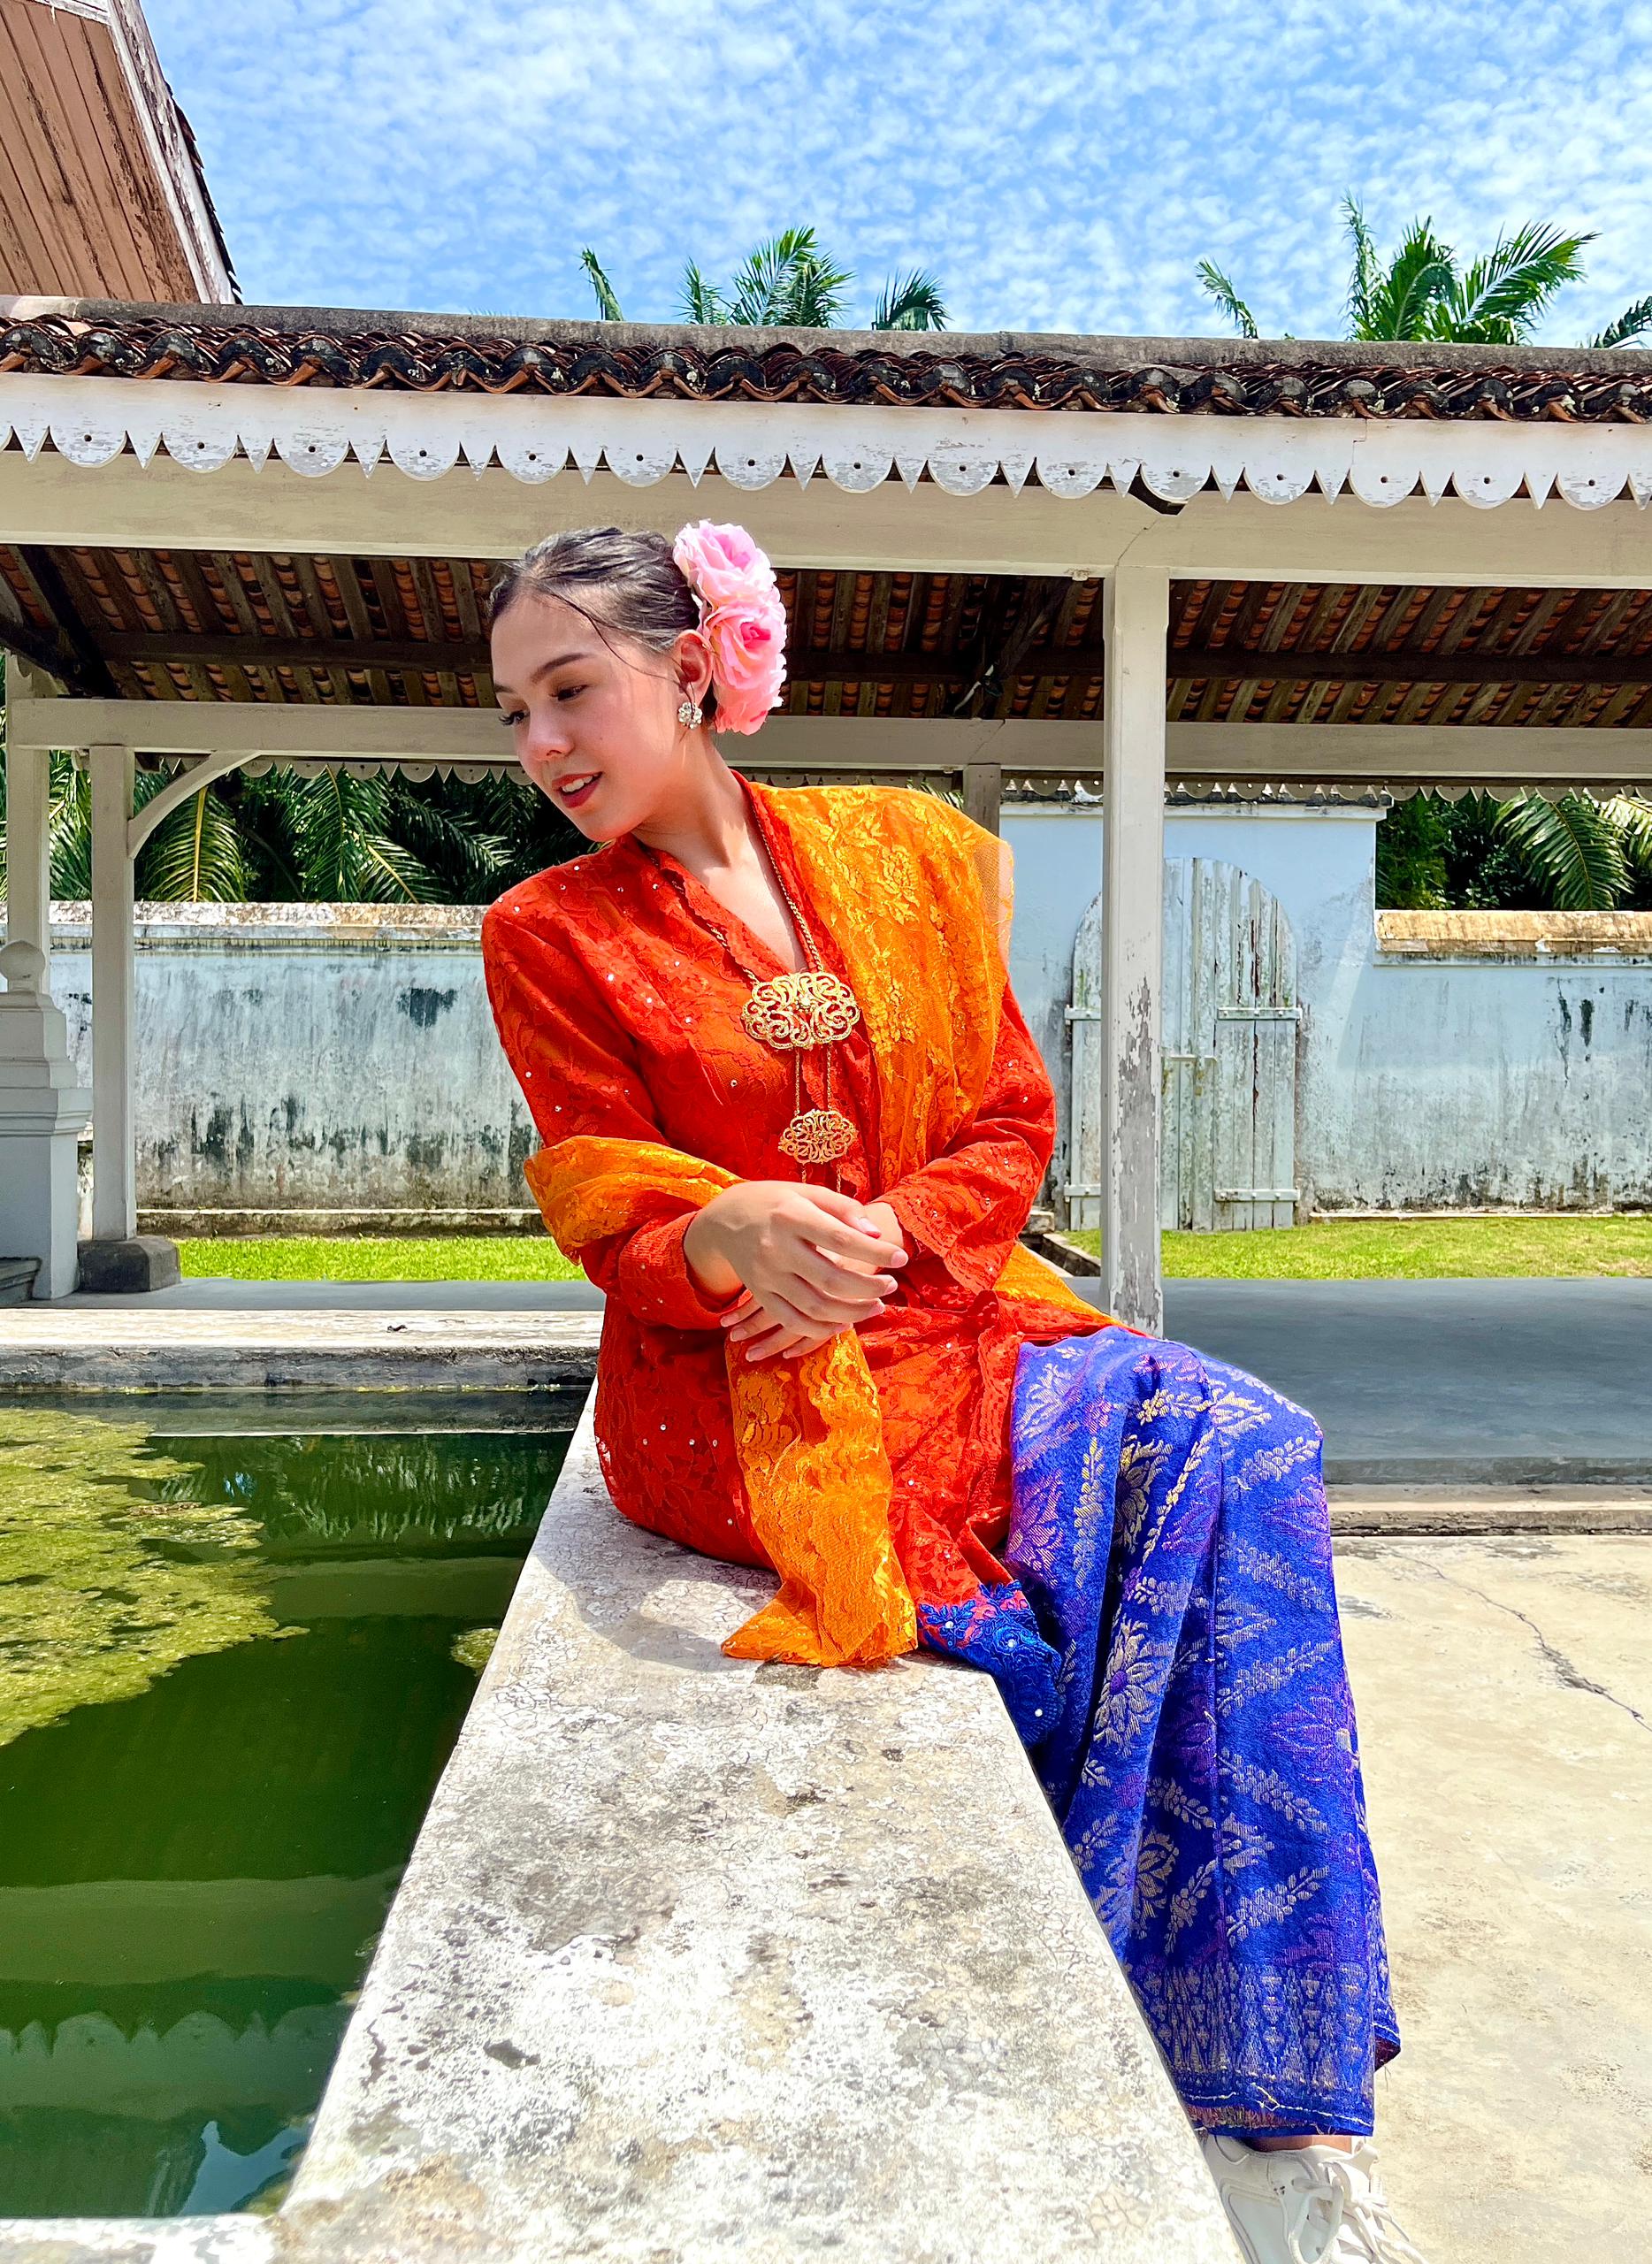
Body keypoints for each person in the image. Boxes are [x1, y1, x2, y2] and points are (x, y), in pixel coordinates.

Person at [480, 521, 1425, 2264]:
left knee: (1244, 1443)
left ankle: (1226, 2027)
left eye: (570, 691)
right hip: (728, 1376)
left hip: (948, 1310)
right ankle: (1113, 2001)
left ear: (694, 673)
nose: (540, 745)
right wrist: (733, 1228)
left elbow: (1005, 1111)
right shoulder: (543, 929)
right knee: (1028, 1569)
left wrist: (892, 1238)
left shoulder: (899, 855)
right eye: (516, 711)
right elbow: (593, 1179)